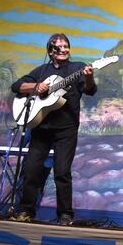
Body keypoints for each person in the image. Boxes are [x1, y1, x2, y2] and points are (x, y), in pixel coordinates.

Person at [10, 33, 96, 225]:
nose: (64, 49)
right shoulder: (42, 71)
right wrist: (36, 86)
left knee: (62, 172)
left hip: (66, 129)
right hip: (41, 128)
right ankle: (26, 211)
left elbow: (90, 90)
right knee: (32, 170)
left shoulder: (78, 68)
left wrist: (89, 77)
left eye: (66, 46)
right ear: (50, 51)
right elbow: (16, 86)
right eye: (59, 47)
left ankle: (65, 214)